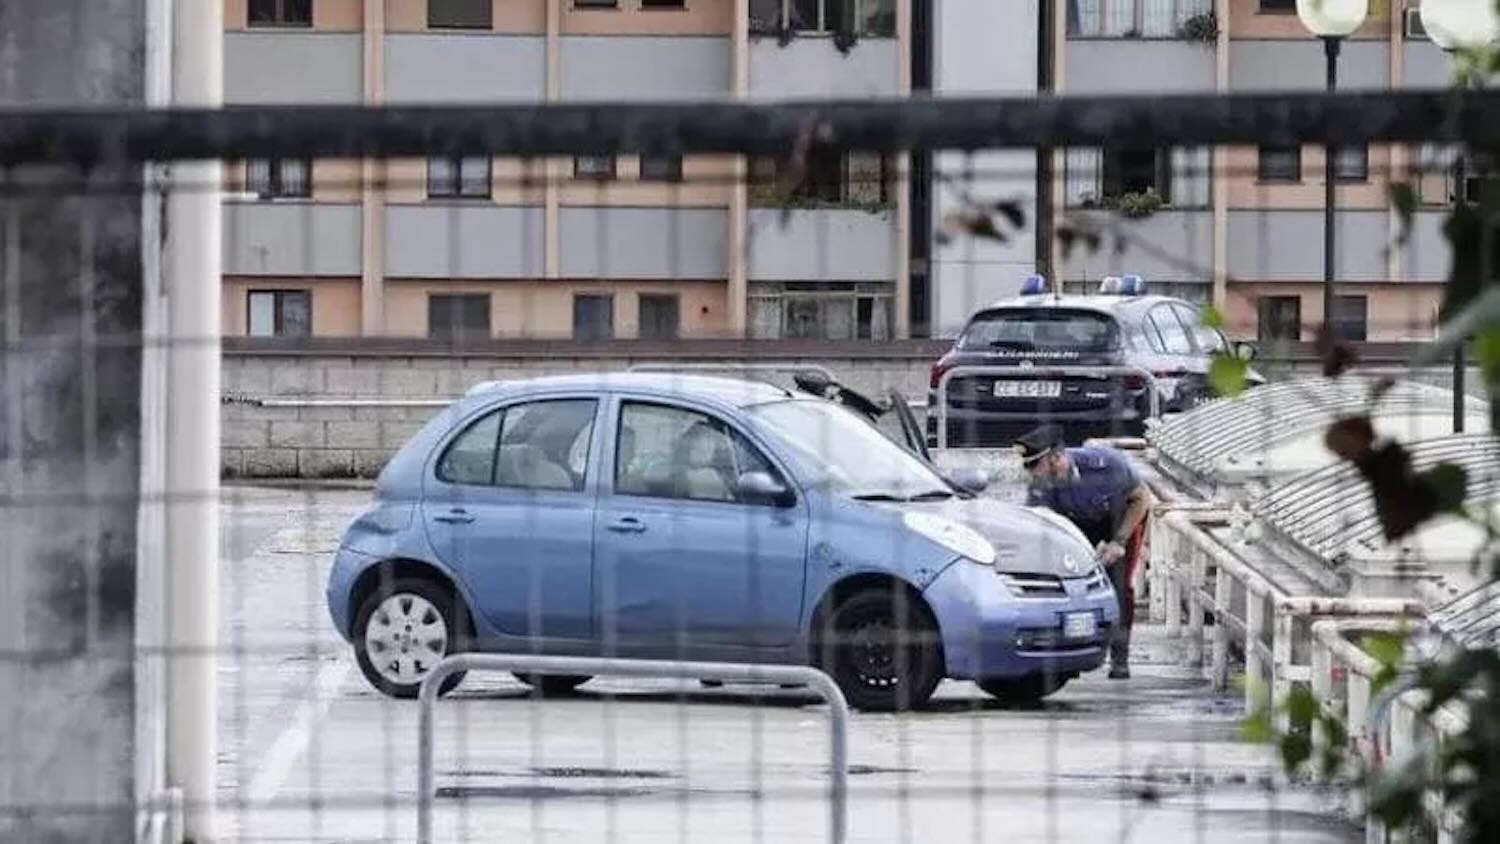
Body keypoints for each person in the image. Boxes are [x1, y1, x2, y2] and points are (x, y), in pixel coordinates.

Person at [1015, 424, 1154, 679]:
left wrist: (1119, 542)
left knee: (1120, 587)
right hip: (1075, 525)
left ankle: (1119, 656)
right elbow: (1042, 526)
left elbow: (1141, 499)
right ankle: (1069, 651)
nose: (1033, 474)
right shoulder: (1039, 487)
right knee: (1068, 585)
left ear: (1056, 459)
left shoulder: (1107, 465)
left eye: (1036, 466)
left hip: (1120, 519)